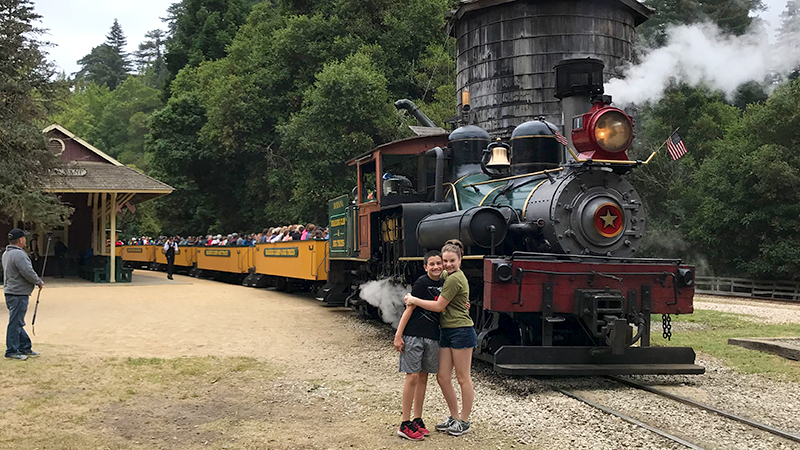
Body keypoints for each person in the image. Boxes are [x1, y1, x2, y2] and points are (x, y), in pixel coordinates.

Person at [405, 239, 474, 436]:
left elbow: (438, 306)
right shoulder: (446, 274)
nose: (447, 264)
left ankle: (464, 421)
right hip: (446, 330)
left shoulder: (454, 278)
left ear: (460, 260)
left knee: (463, 378)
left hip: (461, 330)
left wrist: (413, 299)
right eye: (445, 261)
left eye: (452, 260)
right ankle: (454, 417)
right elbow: (433, 275)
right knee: (443, 377)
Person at [394, 250, 445, 440]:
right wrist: (398, 335)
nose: (436, 267)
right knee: (412, 376)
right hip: (414, 335)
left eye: (438, 263)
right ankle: (404, 423)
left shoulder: (444, 283)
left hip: (432, 337)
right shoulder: (422, 283)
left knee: (423, 377)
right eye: (432, 264)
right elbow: (410, 308)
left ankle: (417, 419)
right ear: (425, 267)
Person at [2, 228, 43, 361]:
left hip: (10, 291)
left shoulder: (6, 253)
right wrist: (38, 281)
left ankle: (25, 346)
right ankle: (12, 350)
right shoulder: (19, 255)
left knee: (17, 321)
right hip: (18, 292)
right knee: (15, 322)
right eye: (24, 238)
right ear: (20, 240)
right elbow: (27, 271)